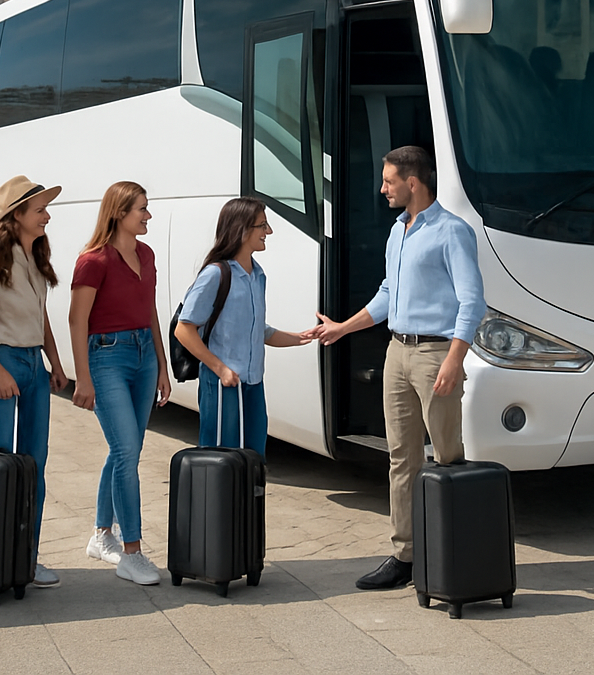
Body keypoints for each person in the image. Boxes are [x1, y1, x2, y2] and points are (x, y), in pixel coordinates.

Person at [316, 146, 485, 590]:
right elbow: (388, 293)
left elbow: (472, 302)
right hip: (397, 353)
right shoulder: (398, 231)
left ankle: (456, 550)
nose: (383, 188)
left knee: (447, 454)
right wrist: (343, 328)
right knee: (401, 459)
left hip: (435, 355)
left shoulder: (452, 232)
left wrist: (454, 358)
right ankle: (406, 555)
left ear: (414, 182)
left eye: (389, 181)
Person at [0, 176, 68, 588]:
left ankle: (27, 557)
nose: (47, 216)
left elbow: (40, 316)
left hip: (33, 367)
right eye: (40, 210)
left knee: (34, 465)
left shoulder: (36, 257)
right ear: (17, 215)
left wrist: (55, 361)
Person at [68, 181, 171, 585]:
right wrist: (83, 377)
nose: (147, 216)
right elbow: (77, 320)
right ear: (119, 213)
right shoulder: (93, 260)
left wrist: (162, 365)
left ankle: (101, 534)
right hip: (107, 355)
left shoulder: (146, 254)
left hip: (144, 355)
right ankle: (132, 552)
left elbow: (151, 314)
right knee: (127, 451)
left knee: (126, 449)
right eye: (141, 209)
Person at [174, 197, 317, 459]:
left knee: (253, 461)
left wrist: (300, 338)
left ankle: (248, 502)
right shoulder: (215, 274)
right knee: (221, 462)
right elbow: (184, 329)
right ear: (241, 230)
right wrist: (221, 369)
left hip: (253, 383)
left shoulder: (257, 275)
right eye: (262, 225)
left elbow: (256, 330)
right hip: (223, 385)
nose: (269, 232)